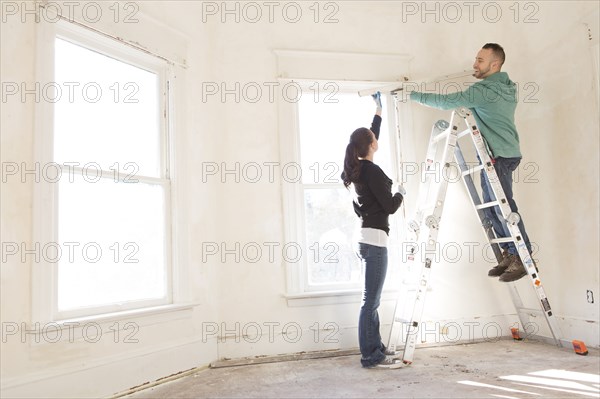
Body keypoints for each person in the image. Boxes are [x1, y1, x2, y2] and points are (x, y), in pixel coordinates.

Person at [409, 43, 532, 283]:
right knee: (490, 206)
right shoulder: (503, 86)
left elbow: (447, 102)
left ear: (494, 64)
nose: (474, 65)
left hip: (499, 156)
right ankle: (509, 253)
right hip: (496, 155)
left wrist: (412, 95)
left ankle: (523, 257)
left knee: (503, 207)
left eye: (480, 60)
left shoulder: (486, 90)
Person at [341, 92, 404, 369]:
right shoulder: (372, 172)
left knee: (373, 301)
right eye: (374, 137)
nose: (377, 138)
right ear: (371, 145)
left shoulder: (359, 168)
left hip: (366, 239)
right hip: (375, 241)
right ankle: (370, 355)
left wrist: (379, 109)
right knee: (371, 302)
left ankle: (376, 348)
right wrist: (402, 192)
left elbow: (369, 135)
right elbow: (390, 206)